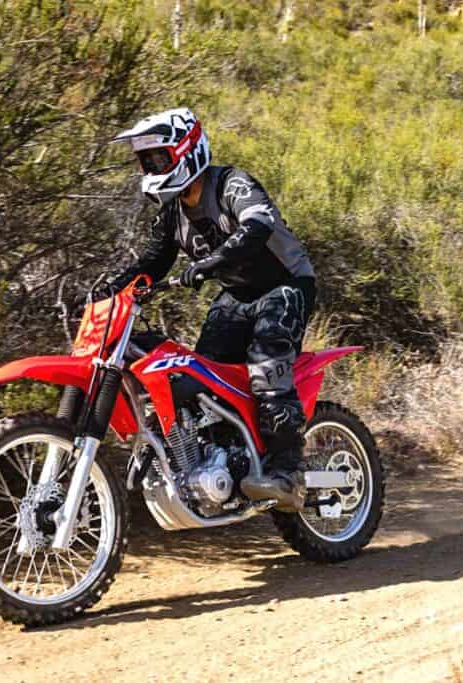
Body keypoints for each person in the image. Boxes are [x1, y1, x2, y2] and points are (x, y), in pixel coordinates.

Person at [108, 107, 315, 512]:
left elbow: (258, 225)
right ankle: (228, 463)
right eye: (146, 161)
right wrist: (113, 287)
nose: (151, 167)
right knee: (203, 378)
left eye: (158, 158)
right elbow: (152, 262)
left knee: (265, 362)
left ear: (187, 151)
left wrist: (209, 263)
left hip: (286, 285)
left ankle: (287, 469)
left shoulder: (232, 184)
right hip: (237, 295)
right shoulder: (172, 212)